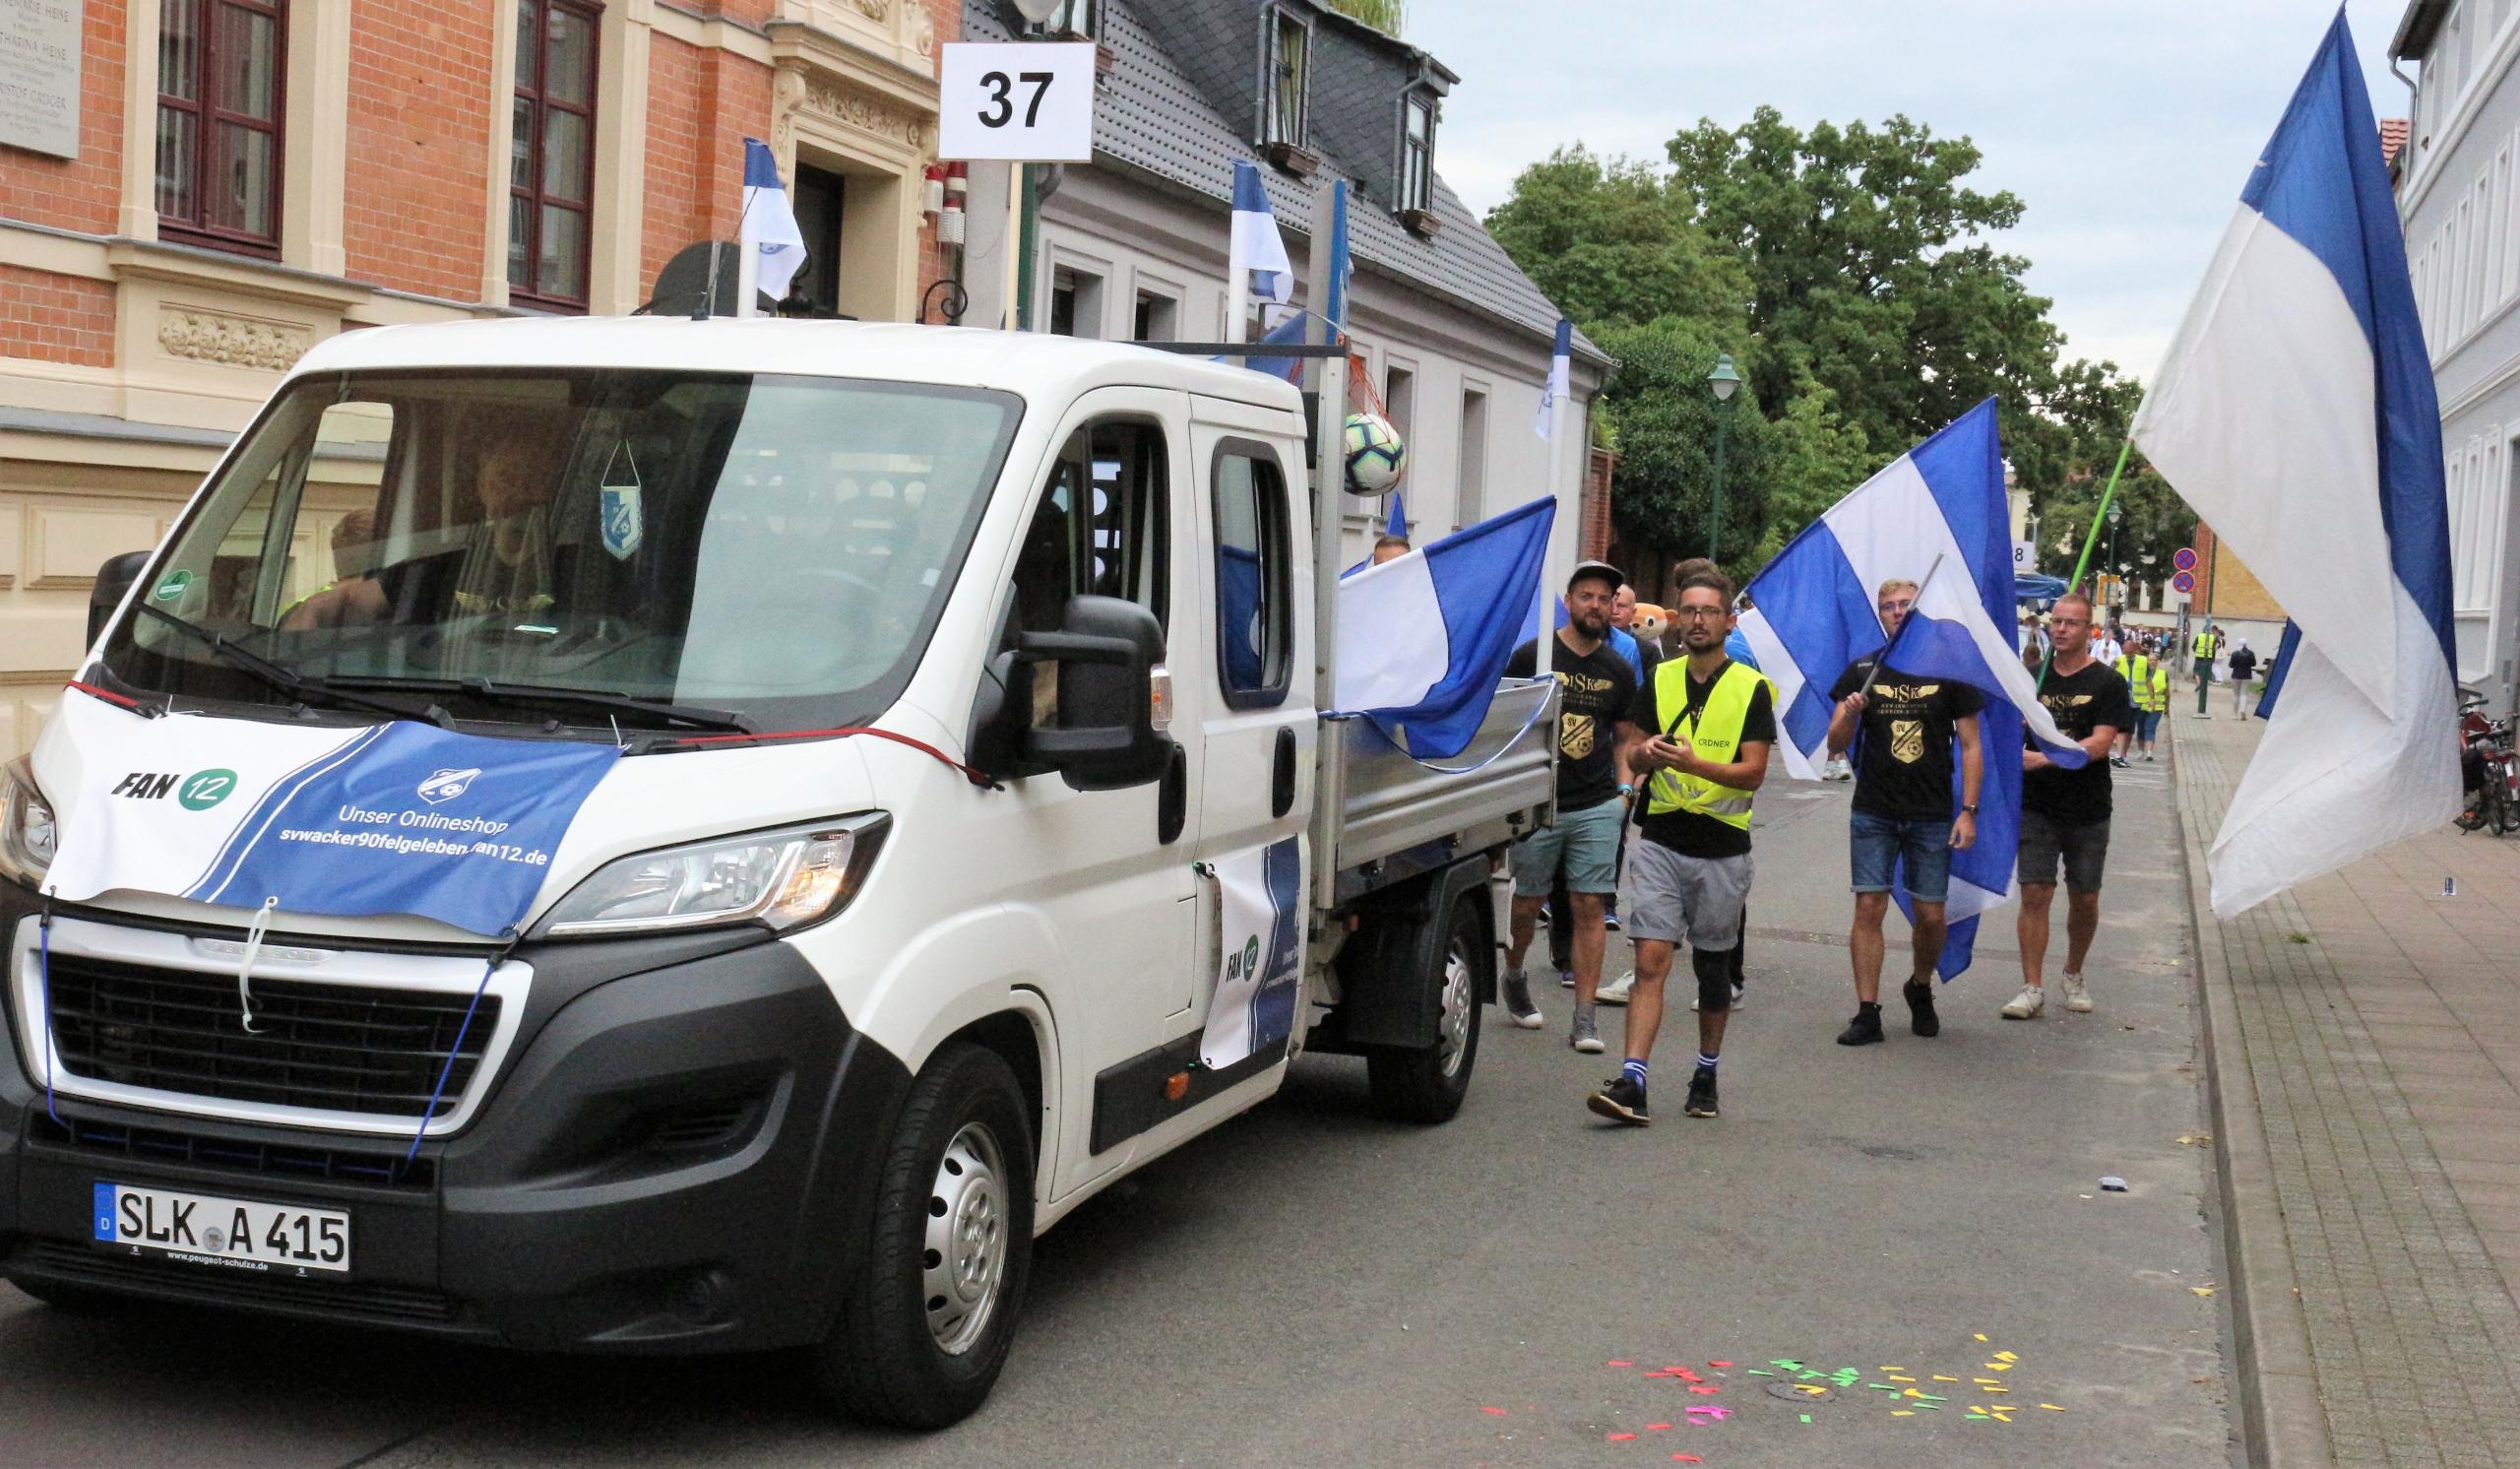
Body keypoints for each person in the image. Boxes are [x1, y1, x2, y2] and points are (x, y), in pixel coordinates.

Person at [1588, 569, 1772, 1124]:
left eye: (1708, 611)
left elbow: (1754, 772)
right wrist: (1646, 760)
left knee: (1713, 970)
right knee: (1650, 958)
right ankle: (1633, 1081)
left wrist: (1695, 764)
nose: (1697, 620)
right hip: (1662, 839)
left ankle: (1706, 1071)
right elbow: (1634, 751)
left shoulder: (1750, 688)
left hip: (1722, 849)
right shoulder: (1661, 679)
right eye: (1688, 610)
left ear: (1727, 621)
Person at [1825, 578, 1984, 1047]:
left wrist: (1969, 810)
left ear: (1919, 611)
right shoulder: (1863, 670)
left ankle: (1919, 985)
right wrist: (1850, 714)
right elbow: (1834, 743)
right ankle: (1867, 1011)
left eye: (1904, 605)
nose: (1897, 611)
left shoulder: (1948, 669)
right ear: (1881, 615)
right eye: (1889, 606)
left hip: (1932, 812)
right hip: (1874, 809)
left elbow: (1972, 745)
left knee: (1931, 917)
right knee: (1868, 906)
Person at [1500, 561, 1640, 1054]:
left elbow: (1626, 739)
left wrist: (1625, 793)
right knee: (1527, 902)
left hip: (1597, 804)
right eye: (1587, 596)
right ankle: (1514, 973)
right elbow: (1504, 723)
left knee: (1590, 906)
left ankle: (1585, 1017)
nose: (1597, 606)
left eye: (1605, 598)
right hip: (1540, 803)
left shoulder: (1619, 669)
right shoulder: (1534, 656)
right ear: (1569, 600)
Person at [2003, 593, 2136, 1020]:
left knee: (2084, 898)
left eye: (2072, 623)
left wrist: (2044, 757)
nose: (2061, 629)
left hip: (2088, 807)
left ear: (2088, 630)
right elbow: (2001, 734)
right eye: (2057, 621)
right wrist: (2016, 731)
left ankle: (2073, 972)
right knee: (2035, 893)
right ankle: (2032, 987)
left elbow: (2101, 743)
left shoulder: (2108, 683)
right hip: (2037, 806)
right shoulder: (2030, 679)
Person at [2114, 642, 2168, 762]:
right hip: (2122, 700)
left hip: (2137, 702)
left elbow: (2148, 681)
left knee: (2130, 729)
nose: (2127, 654)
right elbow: (2110, 678)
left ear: (2135, 650)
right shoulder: (2118, 660)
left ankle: (2123, 754)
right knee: (2122, 727)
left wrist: (2152, 699)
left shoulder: (2143, 661)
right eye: (2125, 652)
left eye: (2129, 652)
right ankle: (2120, 755)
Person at [2190, 621, 2224, 717]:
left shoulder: (2199, 636)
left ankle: (2199, 684)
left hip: (2199, 658)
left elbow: (2193, 647)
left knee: (2196, 672)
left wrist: (2198, 650)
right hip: (2209, 659)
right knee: (2206, 673)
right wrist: (2212, 650)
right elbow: (2217, 646)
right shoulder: (2214, 637)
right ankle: (2205, 682)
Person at [2228, 638, 2259, 717]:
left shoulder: (2235, 653)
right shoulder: (2251, 653)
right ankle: (2243, 710)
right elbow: (2254, 664)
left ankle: (2235, 715)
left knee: (2236, 694)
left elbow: (2231, 665)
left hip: (2236, 676)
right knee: (2244, 694)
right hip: (2247, 676)